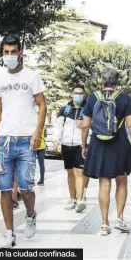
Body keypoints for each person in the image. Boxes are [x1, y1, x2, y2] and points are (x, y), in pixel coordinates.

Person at [0, 34, 47, 248]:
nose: (10, 56)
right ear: (2, 53)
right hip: (5, 140)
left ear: (20, 53)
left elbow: (42, 105)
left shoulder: (32, 76)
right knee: (5, 189)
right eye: (6, 52)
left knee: (25, 188)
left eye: (14, 52)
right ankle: (9, 233)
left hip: (26, 140)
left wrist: (37, 133)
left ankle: (30, 214)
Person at [81, 68, 131, 236]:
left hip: (99, 143)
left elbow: (85, 125)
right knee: (122, 180)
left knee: (104, 182)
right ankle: (119, 217)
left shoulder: (93, 97)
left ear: (102, 80)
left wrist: (84, 145)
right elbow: (130, 124)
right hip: (120, 144)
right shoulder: (124, 98)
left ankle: (104, 223)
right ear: (117, 81)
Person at [53, 85, 89, 213]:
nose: (78, 95)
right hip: (67, 144)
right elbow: (59, 126)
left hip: (81, 144)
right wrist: (56, 140)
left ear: (84, 94)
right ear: (72, 94)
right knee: (70, 173)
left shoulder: (88, 109)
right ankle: (72, 198)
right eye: (76, 93)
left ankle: (80, 200)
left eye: (81, 93)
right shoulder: (65, 110)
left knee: (79, 172)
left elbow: (93, 125)